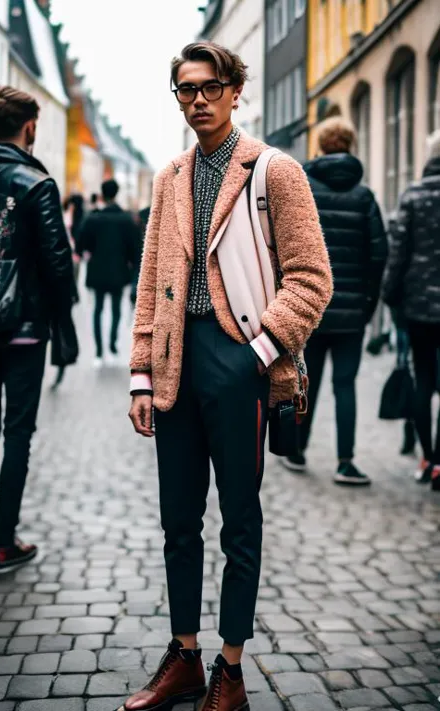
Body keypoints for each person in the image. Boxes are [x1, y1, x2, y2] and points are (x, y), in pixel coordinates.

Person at [125, 41, 332, 711]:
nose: (199, 99)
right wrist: (139, 371)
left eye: (211, 86)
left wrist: (258, 351)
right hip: (175, 362)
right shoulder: (169, 177)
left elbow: (311, 277)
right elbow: (153, 280)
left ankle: (231, 670)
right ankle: (184, 655)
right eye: (186, 89)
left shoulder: (276, 172)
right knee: (178, 520)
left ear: (236, 90)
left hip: (239, 359)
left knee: (239, 520)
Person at [0, 86, 76, 577]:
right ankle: (5, 543)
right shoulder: (36, 183)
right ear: (29, 126)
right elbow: (56, 262)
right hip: (24, 329)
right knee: (17, 435)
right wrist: (63, 317)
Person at [284, 117, 388, 486]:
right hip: (352, 313)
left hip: (311, 309)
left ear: (322, 145)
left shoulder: (305, 190)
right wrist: (367, 302)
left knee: (304, 382)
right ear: (350, 147)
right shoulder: (364, 197)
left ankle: (296, 449)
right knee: (346, 385)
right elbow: (379, 255)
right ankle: (346, 462)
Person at [383, 129, 440, 490]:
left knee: (424, 380)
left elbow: (397, 252)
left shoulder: (414, 195)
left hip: (419, 308)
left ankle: (428, 456)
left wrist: (390, 296)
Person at [77, 179, 141, 367]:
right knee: (116, 310)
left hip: (97, 271)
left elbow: (82, 244)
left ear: (102, 194)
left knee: (97, 309)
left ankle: (98, 352)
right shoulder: (126, 219)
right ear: (116, 193)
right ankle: (112, 346)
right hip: (119, 272)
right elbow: (136, 249)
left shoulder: (93, 218)